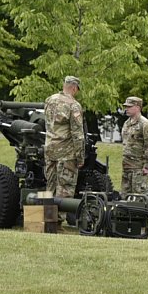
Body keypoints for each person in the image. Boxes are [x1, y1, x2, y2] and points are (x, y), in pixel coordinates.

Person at [44, 76, 85, 217]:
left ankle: (47, 218)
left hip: (50, 149)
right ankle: (58, 220)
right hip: (66, 153)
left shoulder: (49, 100)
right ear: (74, 88)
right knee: (65, 188)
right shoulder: (74, 105)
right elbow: (78, 134)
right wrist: (80, 157)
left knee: (50, 186)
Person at [120, 96, 148, 195]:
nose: (126, 109)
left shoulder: (144, 124)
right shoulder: (126, 123)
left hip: (138, 168)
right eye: (126, 106)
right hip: (127, 167)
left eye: (129, 107)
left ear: (138, 107)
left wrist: (147, 166)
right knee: (124, 196)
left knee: (138, 197)